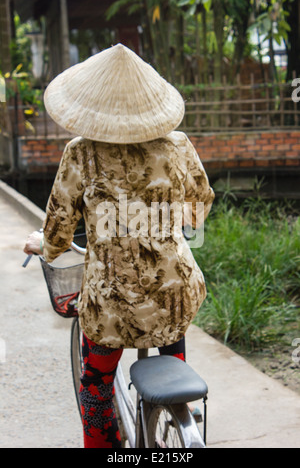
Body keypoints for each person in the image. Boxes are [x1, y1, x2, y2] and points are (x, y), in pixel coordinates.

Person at [24, 44, 214, 448]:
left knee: (95, 384)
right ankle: (183, 404)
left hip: (110, 304)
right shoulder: (178, 145)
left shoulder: (81, 152)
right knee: (168, 323)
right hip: (175, 292)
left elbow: (59, 225)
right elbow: (198, 211)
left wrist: (46, 246)